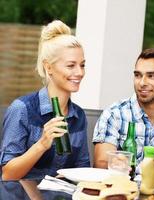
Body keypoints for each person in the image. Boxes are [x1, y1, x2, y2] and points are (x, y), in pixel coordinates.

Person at [0, 20, 90, 180]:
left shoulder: (78, 116)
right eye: (71, 65)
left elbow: (82, 170)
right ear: (49, 68)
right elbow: (7, 174)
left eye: (82, 65)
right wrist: (41, 144)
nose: (80, 72)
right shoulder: (22, 109)